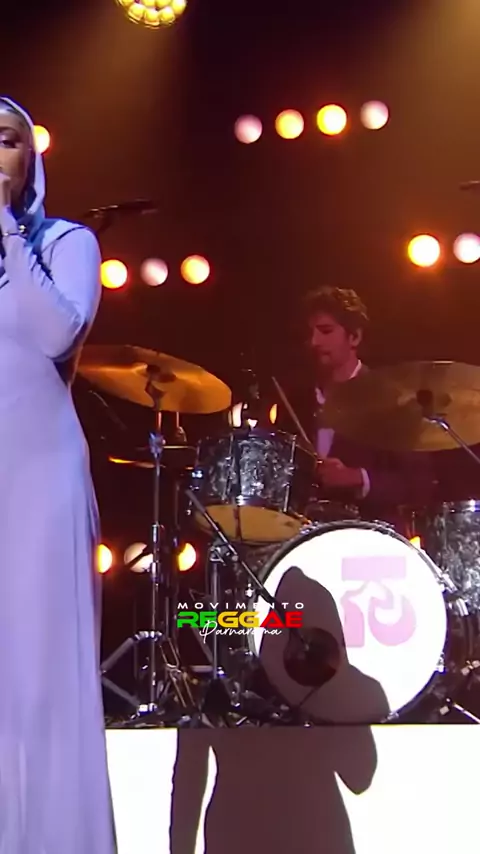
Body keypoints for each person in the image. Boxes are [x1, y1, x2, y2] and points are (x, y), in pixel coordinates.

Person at [0, 98, 116, 852]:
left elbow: (56, 334)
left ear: (29, 158)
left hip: (39, 475)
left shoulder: (66, 242)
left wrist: (8, 232)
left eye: (5, 141)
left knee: (42, 670)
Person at [277, 286, 433, 519]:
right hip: (303, 534)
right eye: (309, 333)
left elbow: (420, 485)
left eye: (326, 331)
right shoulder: (295, 401)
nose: (314, 341)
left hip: (365, 534)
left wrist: (358, 477)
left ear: (355, 337)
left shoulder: (391, 399)